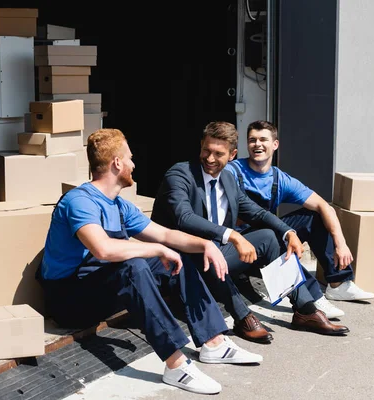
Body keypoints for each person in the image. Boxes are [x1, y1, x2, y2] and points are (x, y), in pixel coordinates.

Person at [36, 128, 263, 396]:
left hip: (100, 287)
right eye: (130, 158)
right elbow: (102, 249)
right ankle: (176, 364)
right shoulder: (80, 201)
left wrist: (205, 245)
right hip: (69, 300)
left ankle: (213, 342)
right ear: (117, 163)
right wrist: (156, 249)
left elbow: (165, 234)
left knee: (176, 257)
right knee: (135, 265)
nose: (134, 164)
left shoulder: (119, 205)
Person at [151, 121, 349, 345]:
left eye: (219, 153)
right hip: (177, 259)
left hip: (215, 254)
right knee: (209, 249)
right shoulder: (180, 174)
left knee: (268, 237)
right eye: (206, 150)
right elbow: (183, 217)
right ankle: (242, 317)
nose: (210, 158)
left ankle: (304, 309)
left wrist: (289, 232)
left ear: (232, 155)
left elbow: (256, 213)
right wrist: (233, 236)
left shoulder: (228, 179)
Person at [226, 120, 374, 318]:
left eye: (263, 139)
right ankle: (313, 298)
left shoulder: (280, 179)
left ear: (275, 144)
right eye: (252, 140)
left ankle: (339, 283)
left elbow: (324, 206)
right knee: (272, 235)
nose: (257, 144)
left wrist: (341, 244)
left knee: (314, 216)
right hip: (239, 246)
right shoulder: (232, 171)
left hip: (267, 239)